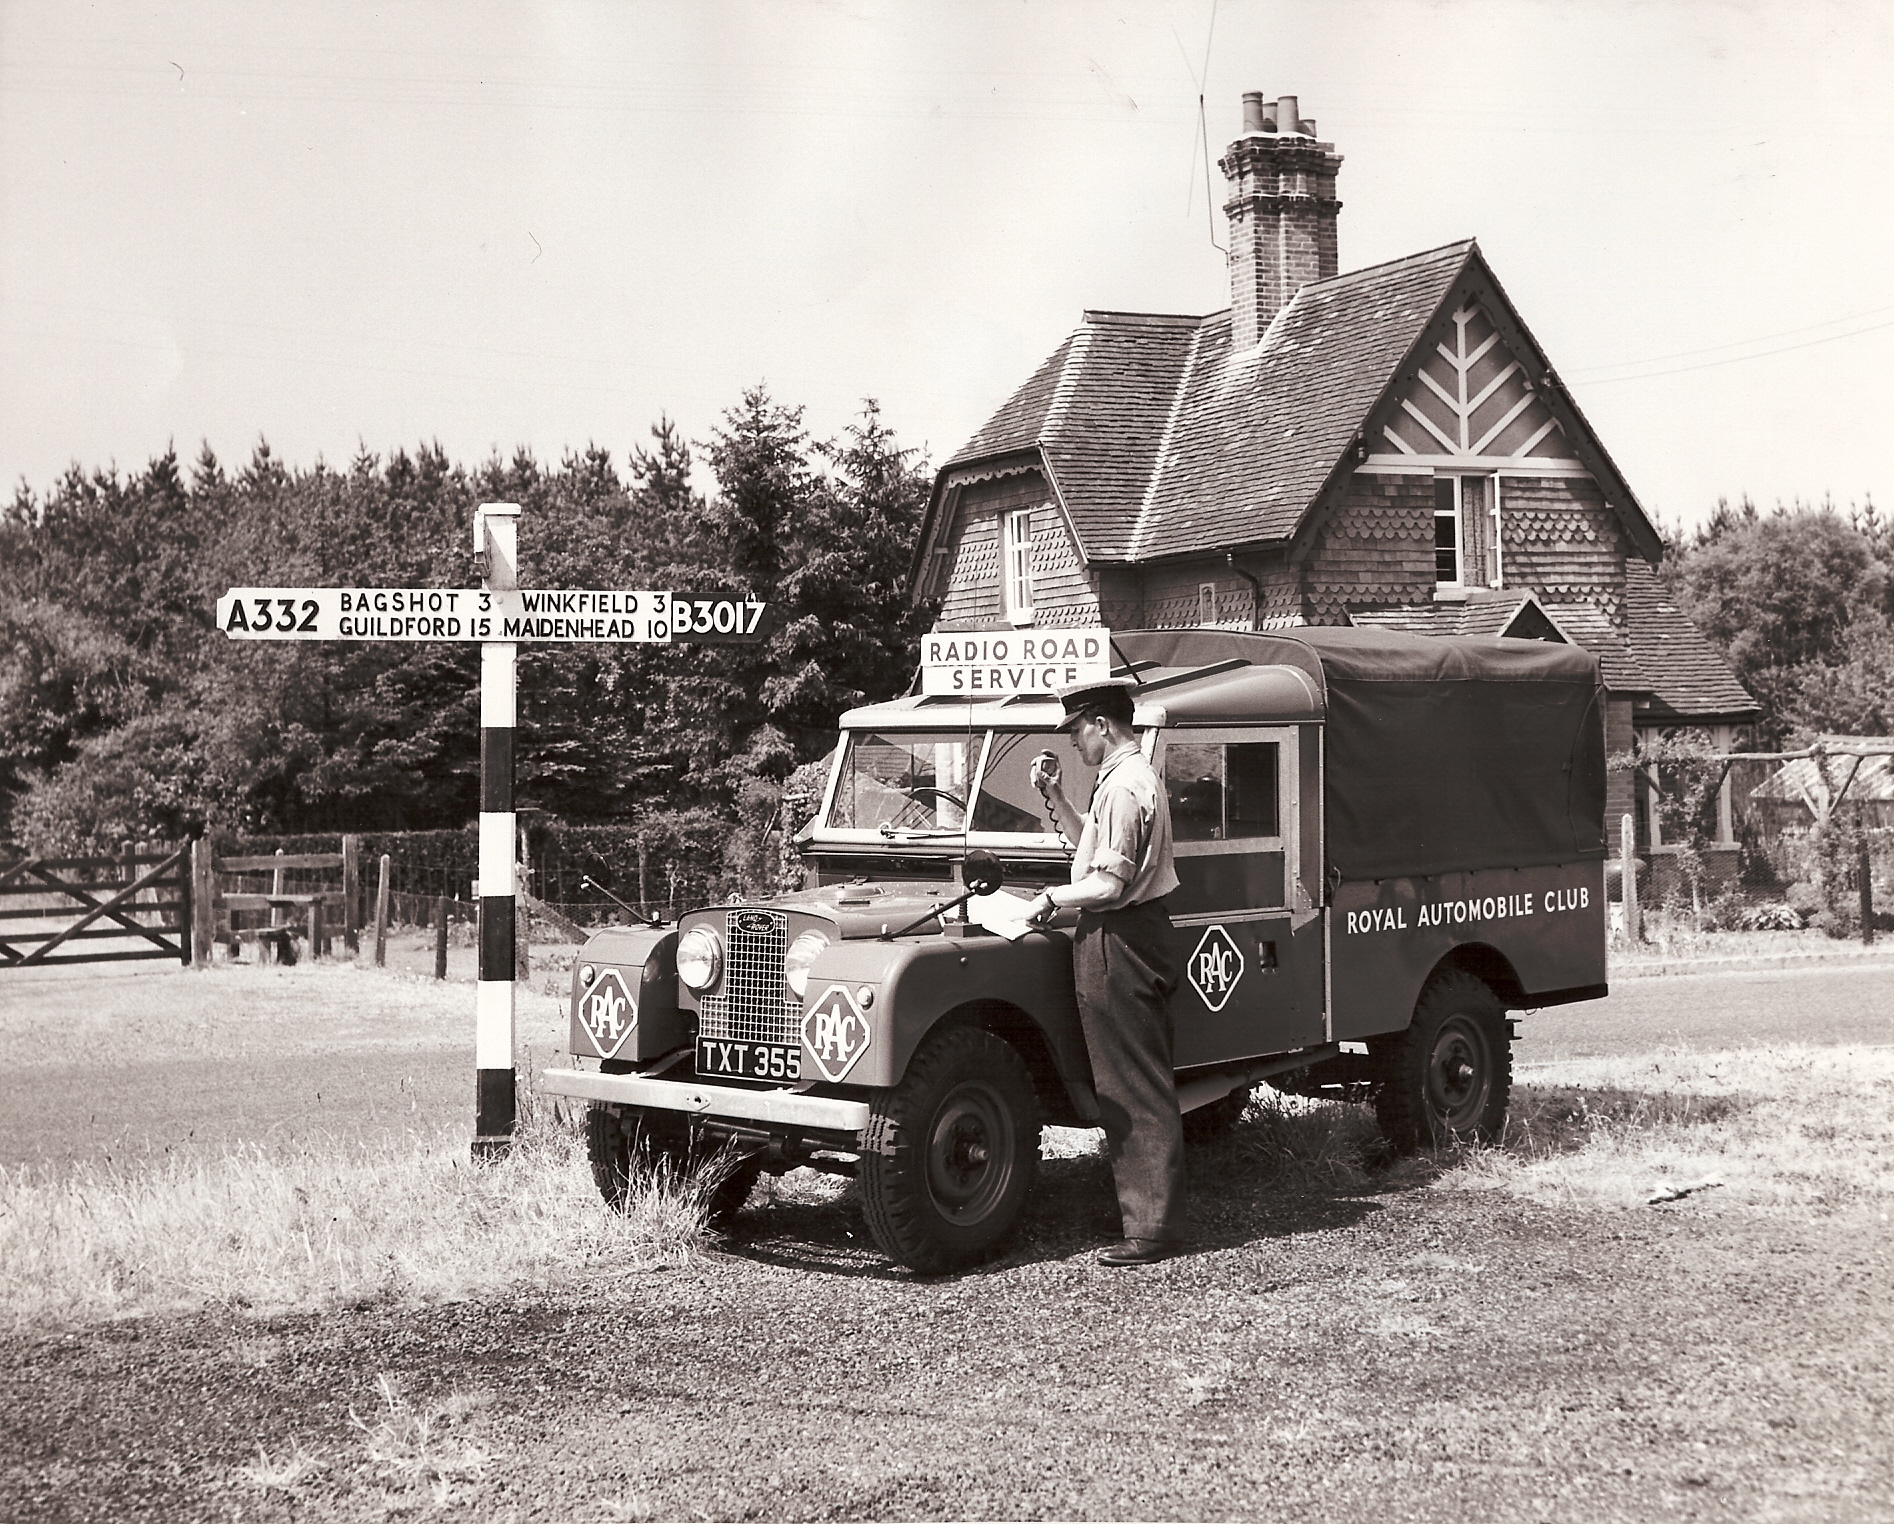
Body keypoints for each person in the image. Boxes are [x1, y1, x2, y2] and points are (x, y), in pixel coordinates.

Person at [1023, 680, 1185, 1266]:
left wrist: (1050, 899)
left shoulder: (1125, 787)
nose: (1074, 744)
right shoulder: (1122, 779)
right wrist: (1058, 797)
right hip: (1132, 934)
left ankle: (1151, 1230)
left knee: (1131, 1085)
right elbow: (1088, 847)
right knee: (1131, 1080)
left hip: (1123, 940)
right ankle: (1148, 1217)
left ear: (1101, 724)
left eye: (1076, 732)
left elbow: (1107, 885)